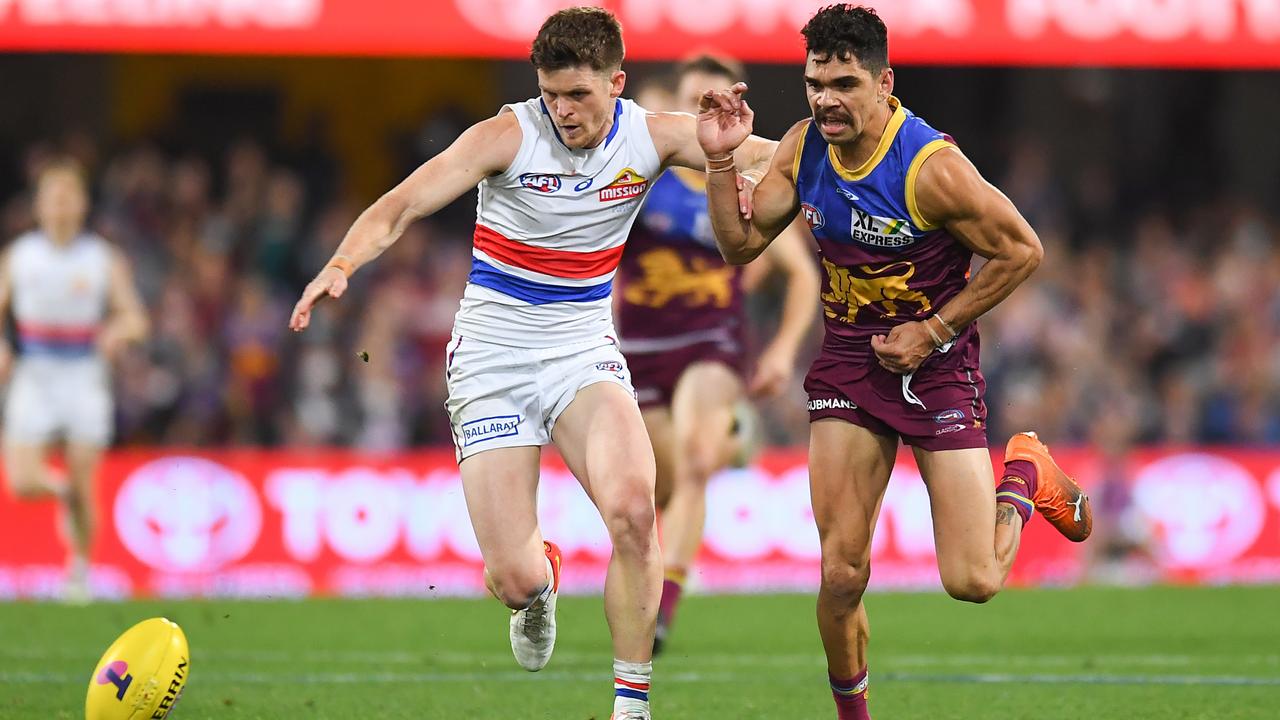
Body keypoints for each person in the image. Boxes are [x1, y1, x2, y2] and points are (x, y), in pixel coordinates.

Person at [288, 8, 777, 719]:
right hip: (492, 359)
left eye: (578, 94)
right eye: (551, 94)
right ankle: (538, 581)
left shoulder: (651, 135)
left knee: (636, 511)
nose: (563, 110)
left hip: (581, 349)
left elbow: (774, 157)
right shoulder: (508, 135)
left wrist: (784, 146)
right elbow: (402, 204)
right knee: (511, 578)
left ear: (617, 82)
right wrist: (341, 263)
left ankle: (631, 705)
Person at [693, 6, 1092, 718]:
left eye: (844, 83)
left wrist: (935, 328)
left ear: (885, 82)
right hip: (850, 362)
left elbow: (1022, 250)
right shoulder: (801, 146)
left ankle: (1025, 473)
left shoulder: (930, 168)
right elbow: (740, 246)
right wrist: (722, 161)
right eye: (816, 82)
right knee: (841, 572)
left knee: (973, 581)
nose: (826, 99)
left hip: (935, 367)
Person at [616, 54, 819, 655]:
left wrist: (782, 350)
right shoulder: (640, 176)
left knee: (698, 458)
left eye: (716, 97)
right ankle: (736, 435)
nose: (706, 110)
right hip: (642, 346)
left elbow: (799, 274)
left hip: (713, 342)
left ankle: (663, 610)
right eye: (694, 98)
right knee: (665, 485)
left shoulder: (743, 185)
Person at [0, 159, 149, 603]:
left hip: (84, 375)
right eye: (53, 195)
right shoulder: (19, 256)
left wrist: (117, 332)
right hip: (35, 373)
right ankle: (59, 491)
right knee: (22, 481)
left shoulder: (102, 258)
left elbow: (136, 318)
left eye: (69, 195)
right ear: (39, 204)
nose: (62, 204)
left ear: (82, 203)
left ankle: (79, 575)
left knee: (87, 480)